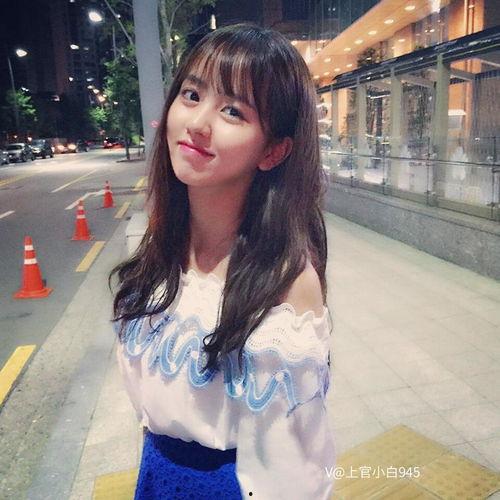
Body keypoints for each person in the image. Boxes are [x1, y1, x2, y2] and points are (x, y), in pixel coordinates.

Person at [110, 23, 335, 499]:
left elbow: (293, 469)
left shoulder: (287, 282)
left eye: (233, 110)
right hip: (155, 479)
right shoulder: (161, 245)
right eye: (191, 95)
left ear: (273, 150)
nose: (197, 122)